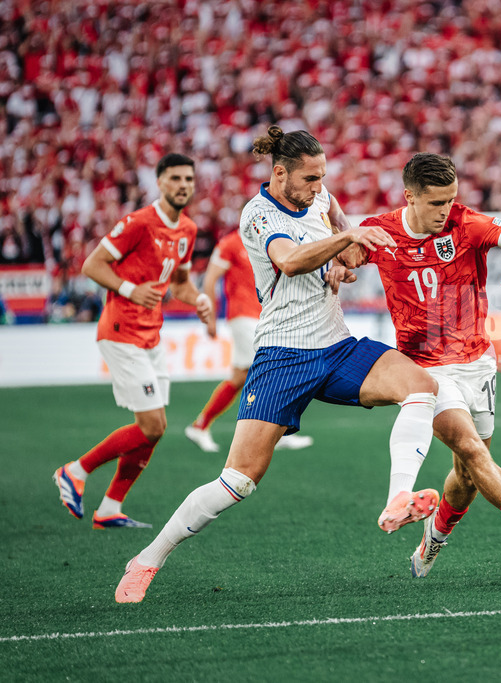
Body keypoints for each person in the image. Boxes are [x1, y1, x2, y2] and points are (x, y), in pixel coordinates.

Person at [114, 126, 442, 603]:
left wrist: (345, 259)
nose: (318, 186)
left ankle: (398, 499)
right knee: (238, 481)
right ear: (280, 173)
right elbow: (289, 261)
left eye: (322, 177)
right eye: (310, 178)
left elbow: (350, 251)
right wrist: (346, 238)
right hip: (283, 356)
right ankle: (147, 559)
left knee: (420, 386)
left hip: (336, 345)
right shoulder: (258, 214)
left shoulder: (321, 198)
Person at [352, 152, 501, 578]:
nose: (446, 210)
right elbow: (343, 258)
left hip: (479, 363)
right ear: (410, 197)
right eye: (436, 202)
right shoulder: (379, 232)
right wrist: (339, 269)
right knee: (473, 451)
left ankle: (433, 539)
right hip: (426, 371)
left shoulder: (467, 224)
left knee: (470, 473)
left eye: (451, 199)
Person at [53, 153, 214, 529]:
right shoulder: (139, 222)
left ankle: (110, 508)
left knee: (154, 429)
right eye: (175, 178)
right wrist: (129, 289)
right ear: (159, 182)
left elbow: (180, 285)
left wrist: (199, 299)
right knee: (152, 425)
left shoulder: (187, 229)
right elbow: (92, 264)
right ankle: (75, 471)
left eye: (188, 179)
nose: (183, 185)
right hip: (121, 331)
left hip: (151, 335)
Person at [184, 228, 312, 452]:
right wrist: (211, 317)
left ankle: (200, 426)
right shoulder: (230, 243)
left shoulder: (268, 241)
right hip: (243, 316)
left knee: (239, 377)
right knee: (274, 370)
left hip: (263, 316)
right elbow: (210, 279)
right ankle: (275, 433)